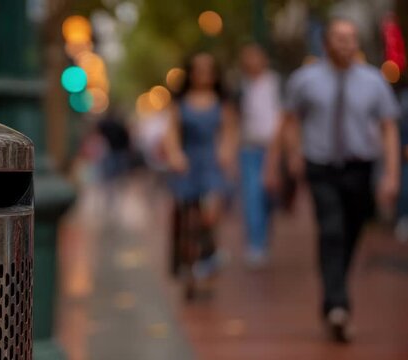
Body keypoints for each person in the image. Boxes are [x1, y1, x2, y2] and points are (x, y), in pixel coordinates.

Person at [265, 18, 401, 342]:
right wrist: (286, 156)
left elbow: (389, 128)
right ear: (326, 43)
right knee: (331, 229)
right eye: (340, 38)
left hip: (359, 167)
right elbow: (288, 121)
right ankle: (338, 305)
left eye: (352, 38)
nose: (347, 44)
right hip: (320, 165)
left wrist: (392, 175)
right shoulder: (304, 80)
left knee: (351, 233)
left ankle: (332, 294)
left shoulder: (374, 81)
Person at [163, 52, 238, 298]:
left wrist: (226, 153)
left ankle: (209, 258)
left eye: (208, 69)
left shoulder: (221, 102)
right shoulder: (181, 102)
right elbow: (171, 133)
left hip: (212, 163)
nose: (204, 74)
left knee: (209, 217)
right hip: (188, 164)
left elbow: (229, 133)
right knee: (189, 222)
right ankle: (191, 271)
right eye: (199, 69)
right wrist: (175, 155)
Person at [235, 44, 281, 267]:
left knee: (269, 196)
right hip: (249, 149)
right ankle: (256, 243)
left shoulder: (276, 84)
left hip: (273, 148)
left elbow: (285, 118)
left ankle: (263, 236)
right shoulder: (241, 87)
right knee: (252, 195)